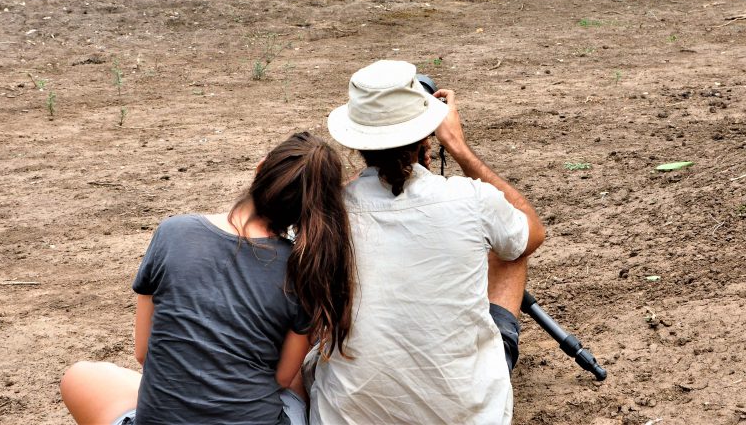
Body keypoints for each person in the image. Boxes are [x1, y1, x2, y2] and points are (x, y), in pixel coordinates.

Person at [60, 132, 354, 425]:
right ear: (315, 208)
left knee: (81, 375)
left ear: (261, 167)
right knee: (298, 383)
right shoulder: (303, 269)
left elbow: (143, 352)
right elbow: (281, 378)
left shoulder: (173, 232)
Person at [311, 60, 546, 425]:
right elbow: (532, 232)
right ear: (428, 135)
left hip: (349, 415)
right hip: (465, 414)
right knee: (512, 249)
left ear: (357, 140)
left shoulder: (328, 212)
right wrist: (459, 148)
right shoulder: (471, 199)